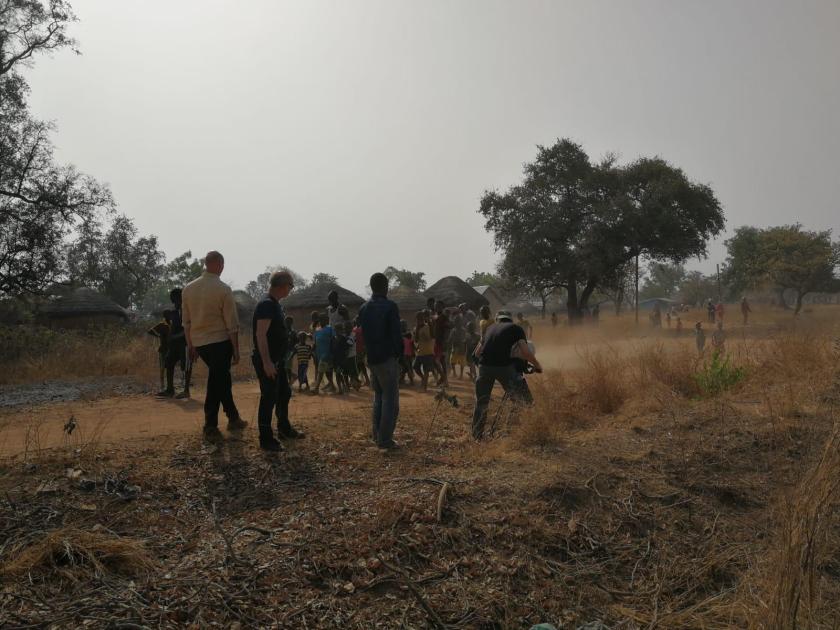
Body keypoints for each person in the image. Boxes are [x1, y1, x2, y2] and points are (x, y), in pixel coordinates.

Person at [182, 251, 247, 442]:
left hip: (200, 343)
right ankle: (210, 425)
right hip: (220, 342)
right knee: (216, 381)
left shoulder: (188, 289)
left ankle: (233, 417)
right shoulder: (223, 289)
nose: (223, 268)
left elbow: (186, 322)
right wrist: (236, 349)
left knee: (221, 379)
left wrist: (191, 345)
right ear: (218, 264)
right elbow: (231, 324)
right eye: (222, 264)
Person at [251, 271, 304, 451]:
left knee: (284, 393)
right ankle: (266, 439)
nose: (291, 289)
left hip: (277, 360)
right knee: (269, 397)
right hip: (268, 361)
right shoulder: (266, 304)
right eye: (291, 285)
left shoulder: (274, 304)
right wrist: (266, 362)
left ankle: (284, 429)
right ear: (283, 285)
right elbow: (261, 335)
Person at [471, 311, 542, 440]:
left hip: (484, 367)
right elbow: (526, 352)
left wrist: (481, 368)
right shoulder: (516, 328)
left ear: (497, 319)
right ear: (511, 319)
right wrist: (537, 365)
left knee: (481, 402)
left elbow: (476, 353)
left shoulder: (489, 328)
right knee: (522, 400)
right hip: (504, 367)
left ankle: (477, 436)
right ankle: (509, 432)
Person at [359, 273, 402, 449]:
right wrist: (399, 355)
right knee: (390, 401)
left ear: (371, 287)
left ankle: (377, 435)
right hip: (387, 358)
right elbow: (396, 334)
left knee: (378, 398)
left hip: (372, 359)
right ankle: (385, 440)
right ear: (386, 287)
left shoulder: (363, 308)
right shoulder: (390, 306)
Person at [147, 312, 171, 394]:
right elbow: (150, 331)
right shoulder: (162, 325)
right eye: (168, 315)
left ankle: (169, 387)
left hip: (170, 349)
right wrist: (158, 335)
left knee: (169, 368)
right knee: (162, 368)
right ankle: (162, 386)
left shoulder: (171, 325)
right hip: (163, 349)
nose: (169, 317)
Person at [413, 311, 436, 391]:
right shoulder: (416, 328)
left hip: (428, 351)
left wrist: (422, 334)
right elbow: (416, 340)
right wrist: (417, 330)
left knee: (426, 370)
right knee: (415, 367)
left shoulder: (427, 327)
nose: (419, 320)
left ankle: (424, 387)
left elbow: (430, 338)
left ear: (423, 319)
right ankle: (423, 379)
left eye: (420, 319)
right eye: (418, 319)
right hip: (420, 352)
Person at [312, 314, 335, 394]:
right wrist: (312, 351)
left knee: (320, 371)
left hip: (327, 354)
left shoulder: (330, 329)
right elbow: (315, 342)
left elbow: (333, 340)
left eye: (324, 319)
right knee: (327, 372)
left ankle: (316, 388)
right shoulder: (317, 330)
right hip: (319, 354)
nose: (323, 321)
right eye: (321, 319)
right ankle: (333, 386)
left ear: (327, 321)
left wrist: (332, 352)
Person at [432, 301, 450, 386]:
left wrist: (445, 341)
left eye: (439, 306)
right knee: (440, 361)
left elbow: (447, 329)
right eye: (436, 306)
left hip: (441, 342)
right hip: (436, 342)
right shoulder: (436, 316)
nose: (437, 308)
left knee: (439, 361)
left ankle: (444, 379)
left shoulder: (444, 317)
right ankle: (444, 379)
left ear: (443, 307)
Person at [353, 318, 370, 387]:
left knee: (361, 365)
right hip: (357, 350)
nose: (356, 321)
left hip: (362, 350)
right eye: (356, 320)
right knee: (360, 365)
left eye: (358, 320)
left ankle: (357, 380)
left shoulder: (363, 329)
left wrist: (365, 347)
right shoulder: (354, 329)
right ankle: (365, 380)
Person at [399, 320, 415, 385]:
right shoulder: (408, 334)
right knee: (407, 367)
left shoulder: (403, 335)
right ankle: (402, 379)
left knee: (406, 367)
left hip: (404, 354)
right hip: (407, 354)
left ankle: (409, 380)